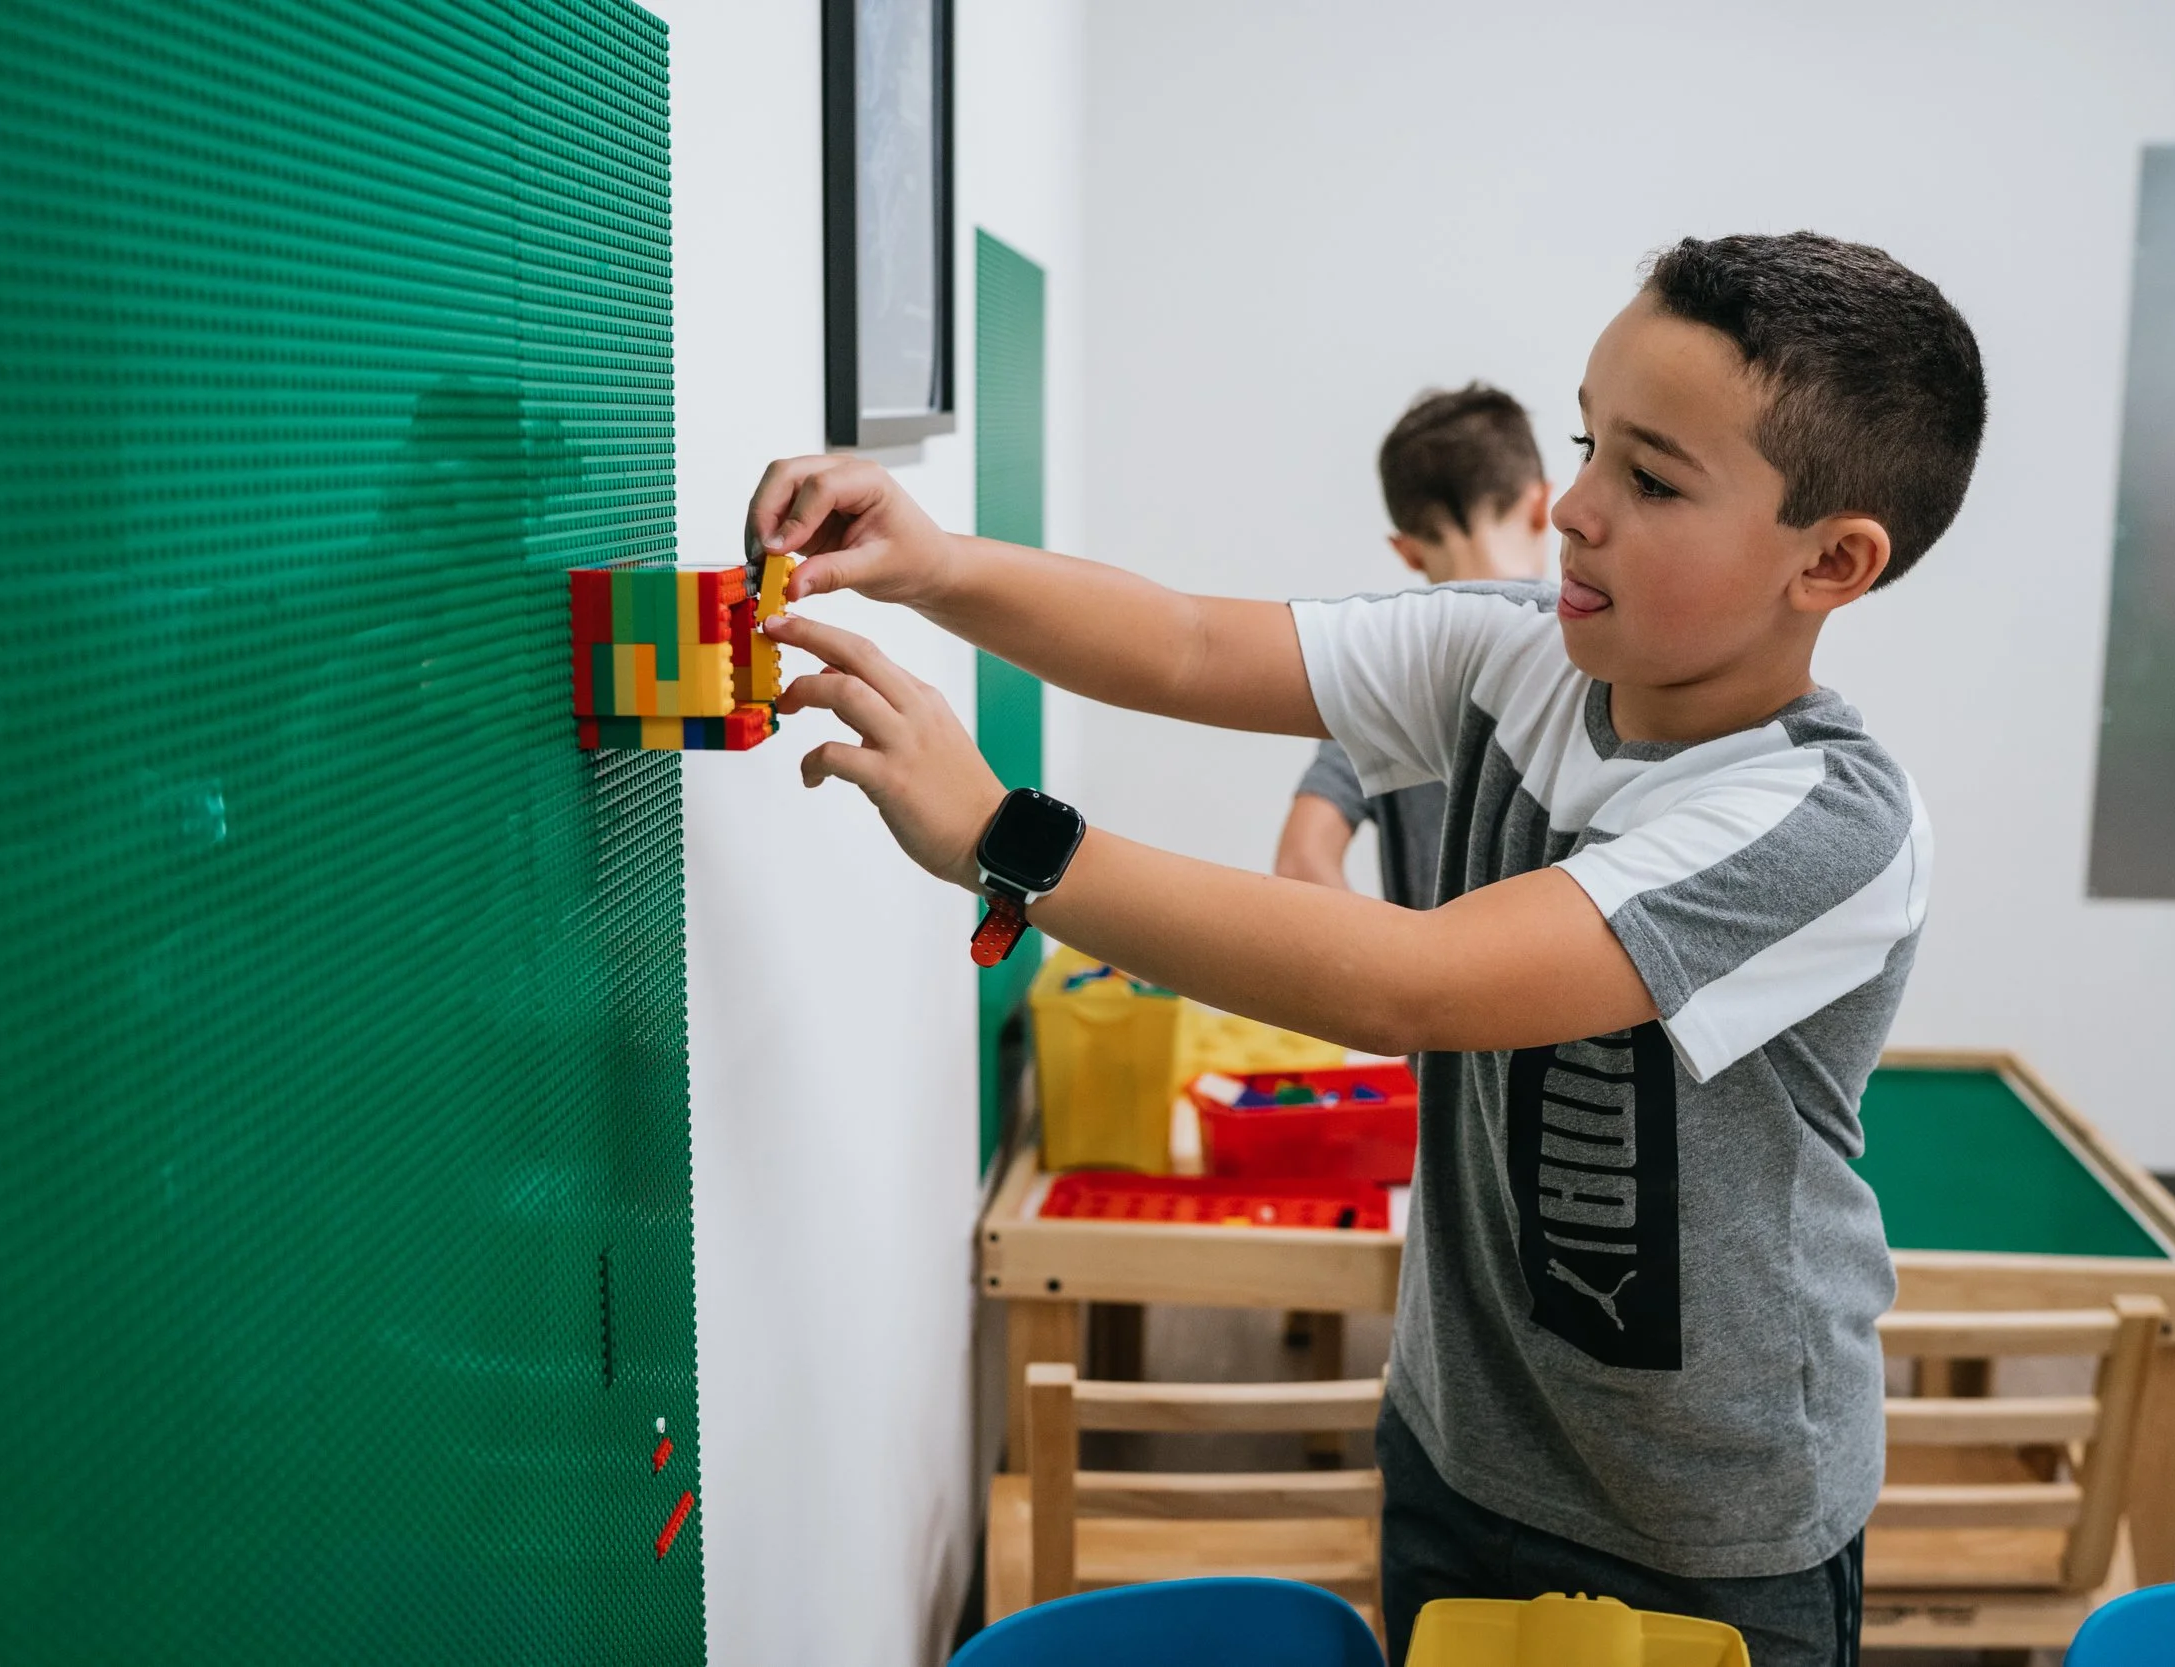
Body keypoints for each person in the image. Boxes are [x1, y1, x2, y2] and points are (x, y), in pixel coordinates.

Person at [745, 231, 1986, 1667]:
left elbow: (1421, 982)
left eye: (1649, 478)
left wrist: (1006, 835)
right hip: (1461, 1443)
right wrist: (935, 562)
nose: (1574, 508)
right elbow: (1193, 645)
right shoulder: (1510, 648)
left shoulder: (1818, 817)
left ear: (1831, 560)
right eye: (1587, 444)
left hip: (1701, 1518)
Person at [1275, 383, 1551, 909]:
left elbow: (1300, 862)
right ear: (1542, 506)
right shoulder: (1593, 652)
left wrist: (1401, 973)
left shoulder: (1383, 666)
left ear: (1406, 551)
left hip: (1427, 987)